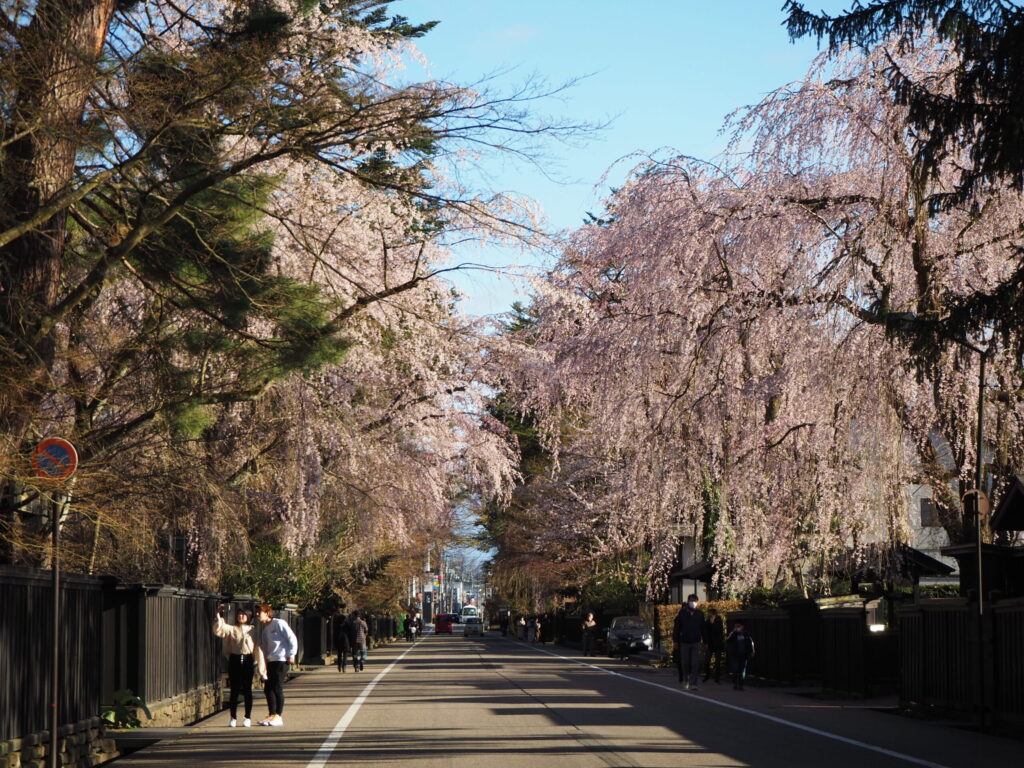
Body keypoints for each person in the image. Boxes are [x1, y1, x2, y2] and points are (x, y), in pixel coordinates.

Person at [213, 603, 265, 728]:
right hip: (235, 659)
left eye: (243, 614)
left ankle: (247, 717)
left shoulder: (253, 631)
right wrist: (218, 615)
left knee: (247, 689)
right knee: (234, 690)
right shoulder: (232, 629)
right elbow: (220, 629)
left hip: (248, 660)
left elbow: (258, 650)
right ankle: (233, 717)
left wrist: (263, 670)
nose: (241, 616)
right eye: (239, 614)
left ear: (249, 616)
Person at [255, 604, 298, 726]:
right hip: (271, 661)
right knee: (268, 688)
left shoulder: (279, 623)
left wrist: (292, 654)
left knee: (277, 687)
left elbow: (292, 638)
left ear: (267, 612)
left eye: (260, 612)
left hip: (282, 659)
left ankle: (278, 715)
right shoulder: (265, 629)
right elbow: (265, 647)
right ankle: (272, 714)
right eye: (257, 612)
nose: (257, 614)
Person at [673, 594, 705, 690]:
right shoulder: (682, 613)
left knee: (695, 663)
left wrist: (705, 641)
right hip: (684, 641)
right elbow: (677, 628)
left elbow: (703, 628)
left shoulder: (700, 614)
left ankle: (693, 683)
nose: (693, 603)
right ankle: (685, 680)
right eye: (691, 600)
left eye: (695, 601)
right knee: (685, 663)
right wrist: (675, 640)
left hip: (696, 641)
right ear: (688, 601)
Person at [726, 620, 756, 690]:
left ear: (742, 627)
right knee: (735, 669)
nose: (737, 628)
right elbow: (728, 640)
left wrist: (752, 651)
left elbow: (750, 643)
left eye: (738, 626)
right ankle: (735, 683)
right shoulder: (733, 634)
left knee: (742, 670)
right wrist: (734, 632)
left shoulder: (746, 634)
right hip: (735, 655)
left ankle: (741, 684)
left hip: (743, 655)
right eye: (736, 626)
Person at [702, 607, 725, 684]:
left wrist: (713, 623)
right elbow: (704, 632)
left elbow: (719, 631)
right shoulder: (707, 622)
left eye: (710, 614)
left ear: (714, 614)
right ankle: (707, 675)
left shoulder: (719, 621)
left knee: (717, 662)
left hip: (718, 644)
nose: (709, 615)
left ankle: (717, 678)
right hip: (710, 644)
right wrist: (705, 642)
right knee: (706, 661)